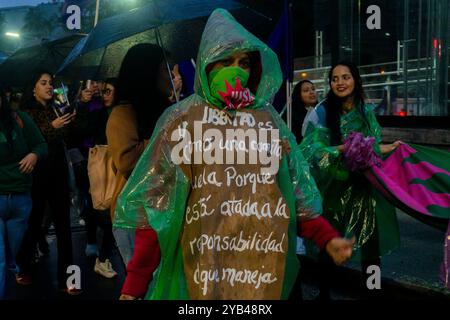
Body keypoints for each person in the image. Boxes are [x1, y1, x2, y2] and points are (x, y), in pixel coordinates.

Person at [114, 9, 354, 300]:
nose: (236, 71)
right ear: (207, 64)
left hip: (258, 269)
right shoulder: (180, 120)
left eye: (243, 62)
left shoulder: (268, 121)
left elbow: (295, 194)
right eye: (225, 61)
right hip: (199, 272)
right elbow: (157, 208)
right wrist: (135, 283)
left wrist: (327, 237)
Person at [300, 61, 402, 299]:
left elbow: (372, 145)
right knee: (329, 242)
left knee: (371, 246)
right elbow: (310, 149)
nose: (340, 83)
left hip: (364, 188)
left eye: (345, 77)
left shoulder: (365, 112)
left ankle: (372, 291)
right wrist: (341, 149)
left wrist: (392, 148)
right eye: (335, 79)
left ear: (355, 80)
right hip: (333, 188)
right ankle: (323, 293)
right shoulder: (323, 112)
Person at [106, 44, 182, 267]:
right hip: (136, 217)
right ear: (147, 72)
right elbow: (127, 161)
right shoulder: (123, 113)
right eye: (165, 69)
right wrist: (170, 138)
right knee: (143, 284)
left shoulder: (165, 109)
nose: (171, 76)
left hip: (166, 211)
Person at [15, 70, 80, 295]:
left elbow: (69, 137)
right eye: (43, 83)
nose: (49, 87)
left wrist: (71, 119)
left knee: (64, 227)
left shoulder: (55, 107)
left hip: (59, 173)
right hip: (37, 175)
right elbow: (31, 142)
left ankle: (71, 279)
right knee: (34, 224)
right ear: (33, 88)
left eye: (50, 83)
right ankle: (23, 267)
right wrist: (53, 127)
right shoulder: (25, 114)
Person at [0, 90, 47, 299]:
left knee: (12, 259)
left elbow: (41, 145)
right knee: (0, 258)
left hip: (20, 200)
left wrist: (34, 155)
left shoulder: (19, 119)